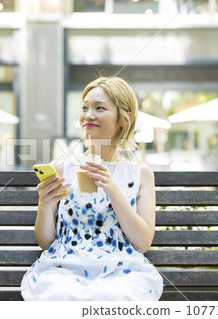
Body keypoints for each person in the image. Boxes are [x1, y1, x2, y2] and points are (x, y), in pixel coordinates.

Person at [20, 76, 164, 301]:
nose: (88, 115)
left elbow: (143, 242)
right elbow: (46, 242)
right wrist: (45, 204)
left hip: (122, 271)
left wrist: (113, 190)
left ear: (123, 119)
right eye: (85, 107)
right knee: (59, 294)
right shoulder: (62, 168)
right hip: (63, 268)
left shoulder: (140, 174)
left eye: (100, 108)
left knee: (113, 295)